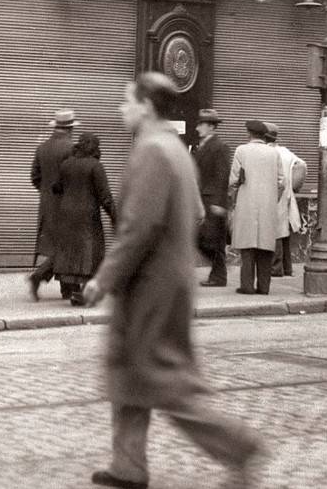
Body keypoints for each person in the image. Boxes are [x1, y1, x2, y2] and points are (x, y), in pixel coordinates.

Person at [83, 72, 263, 489]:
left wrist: (104, 279)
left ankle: (239, 447)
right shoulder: (178, 150)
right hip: (168, 281)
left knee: (163, 380)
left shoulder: (151, 151)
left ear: (145, 105)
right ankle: (127, 465)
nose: (120, 109)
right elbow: (198, 213)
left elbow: (139, 229)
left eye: (126, 102)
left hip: (152, 287)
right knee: (131, 371)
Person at [52, 132, 116, 306]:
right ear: (94, 147)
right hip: (88, 216)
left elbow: (56, 187)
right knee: (91, 252)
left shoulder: (66, 164)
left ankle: (70, 289)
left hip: (66, 214)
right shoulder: (96, 166)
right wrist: (114, 216)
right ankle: (84, 292)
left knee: (69, 251)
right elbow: (105, 196)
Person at [227, 120, 284, 296]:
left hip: (247, 203)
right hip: (268, 206)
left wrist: (233, 200)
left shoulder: (241, 151)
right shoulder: (274, 153)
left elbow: (233, 180)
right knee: (266, 247)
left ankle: (247, 286)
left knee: (248, 247)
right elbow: (282, 183)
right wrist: (273, 199)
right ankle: (264, 287)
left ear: (249, 134)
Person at [28, 109, 79, 301]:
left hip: (47, 205)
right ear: (70, 129)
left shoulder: (42, 148)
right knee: (69, 246)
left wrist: (47, 193)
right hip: (68, 204)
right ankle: (39, 277)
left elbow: (34, 177)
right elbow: (75, 177)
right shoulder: (72, 149)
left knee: (63, 246)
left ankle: (68, 289)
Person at [192, 109, 232, 288]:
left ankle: (219, 276)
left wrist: (218, 202)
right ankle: (219, 275)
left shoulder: (220, 147)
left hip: (213, 202)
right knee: (209, 239)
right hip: (203, 200)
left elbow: (222, 176)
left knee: (213, 239)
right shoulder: (202, 146)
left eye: (201, 124)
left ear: (210, 127)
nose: (198, 127)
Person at [264, 123, 306, 278]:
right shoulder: (285, 152)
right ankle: (287, 268)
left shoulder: (268, 152)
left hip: (273, 195)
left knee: (275, 232)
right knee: (283, 232)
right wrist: (294, 188)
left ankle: (276, 268)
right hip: (286, 196)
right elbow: (302, 165)